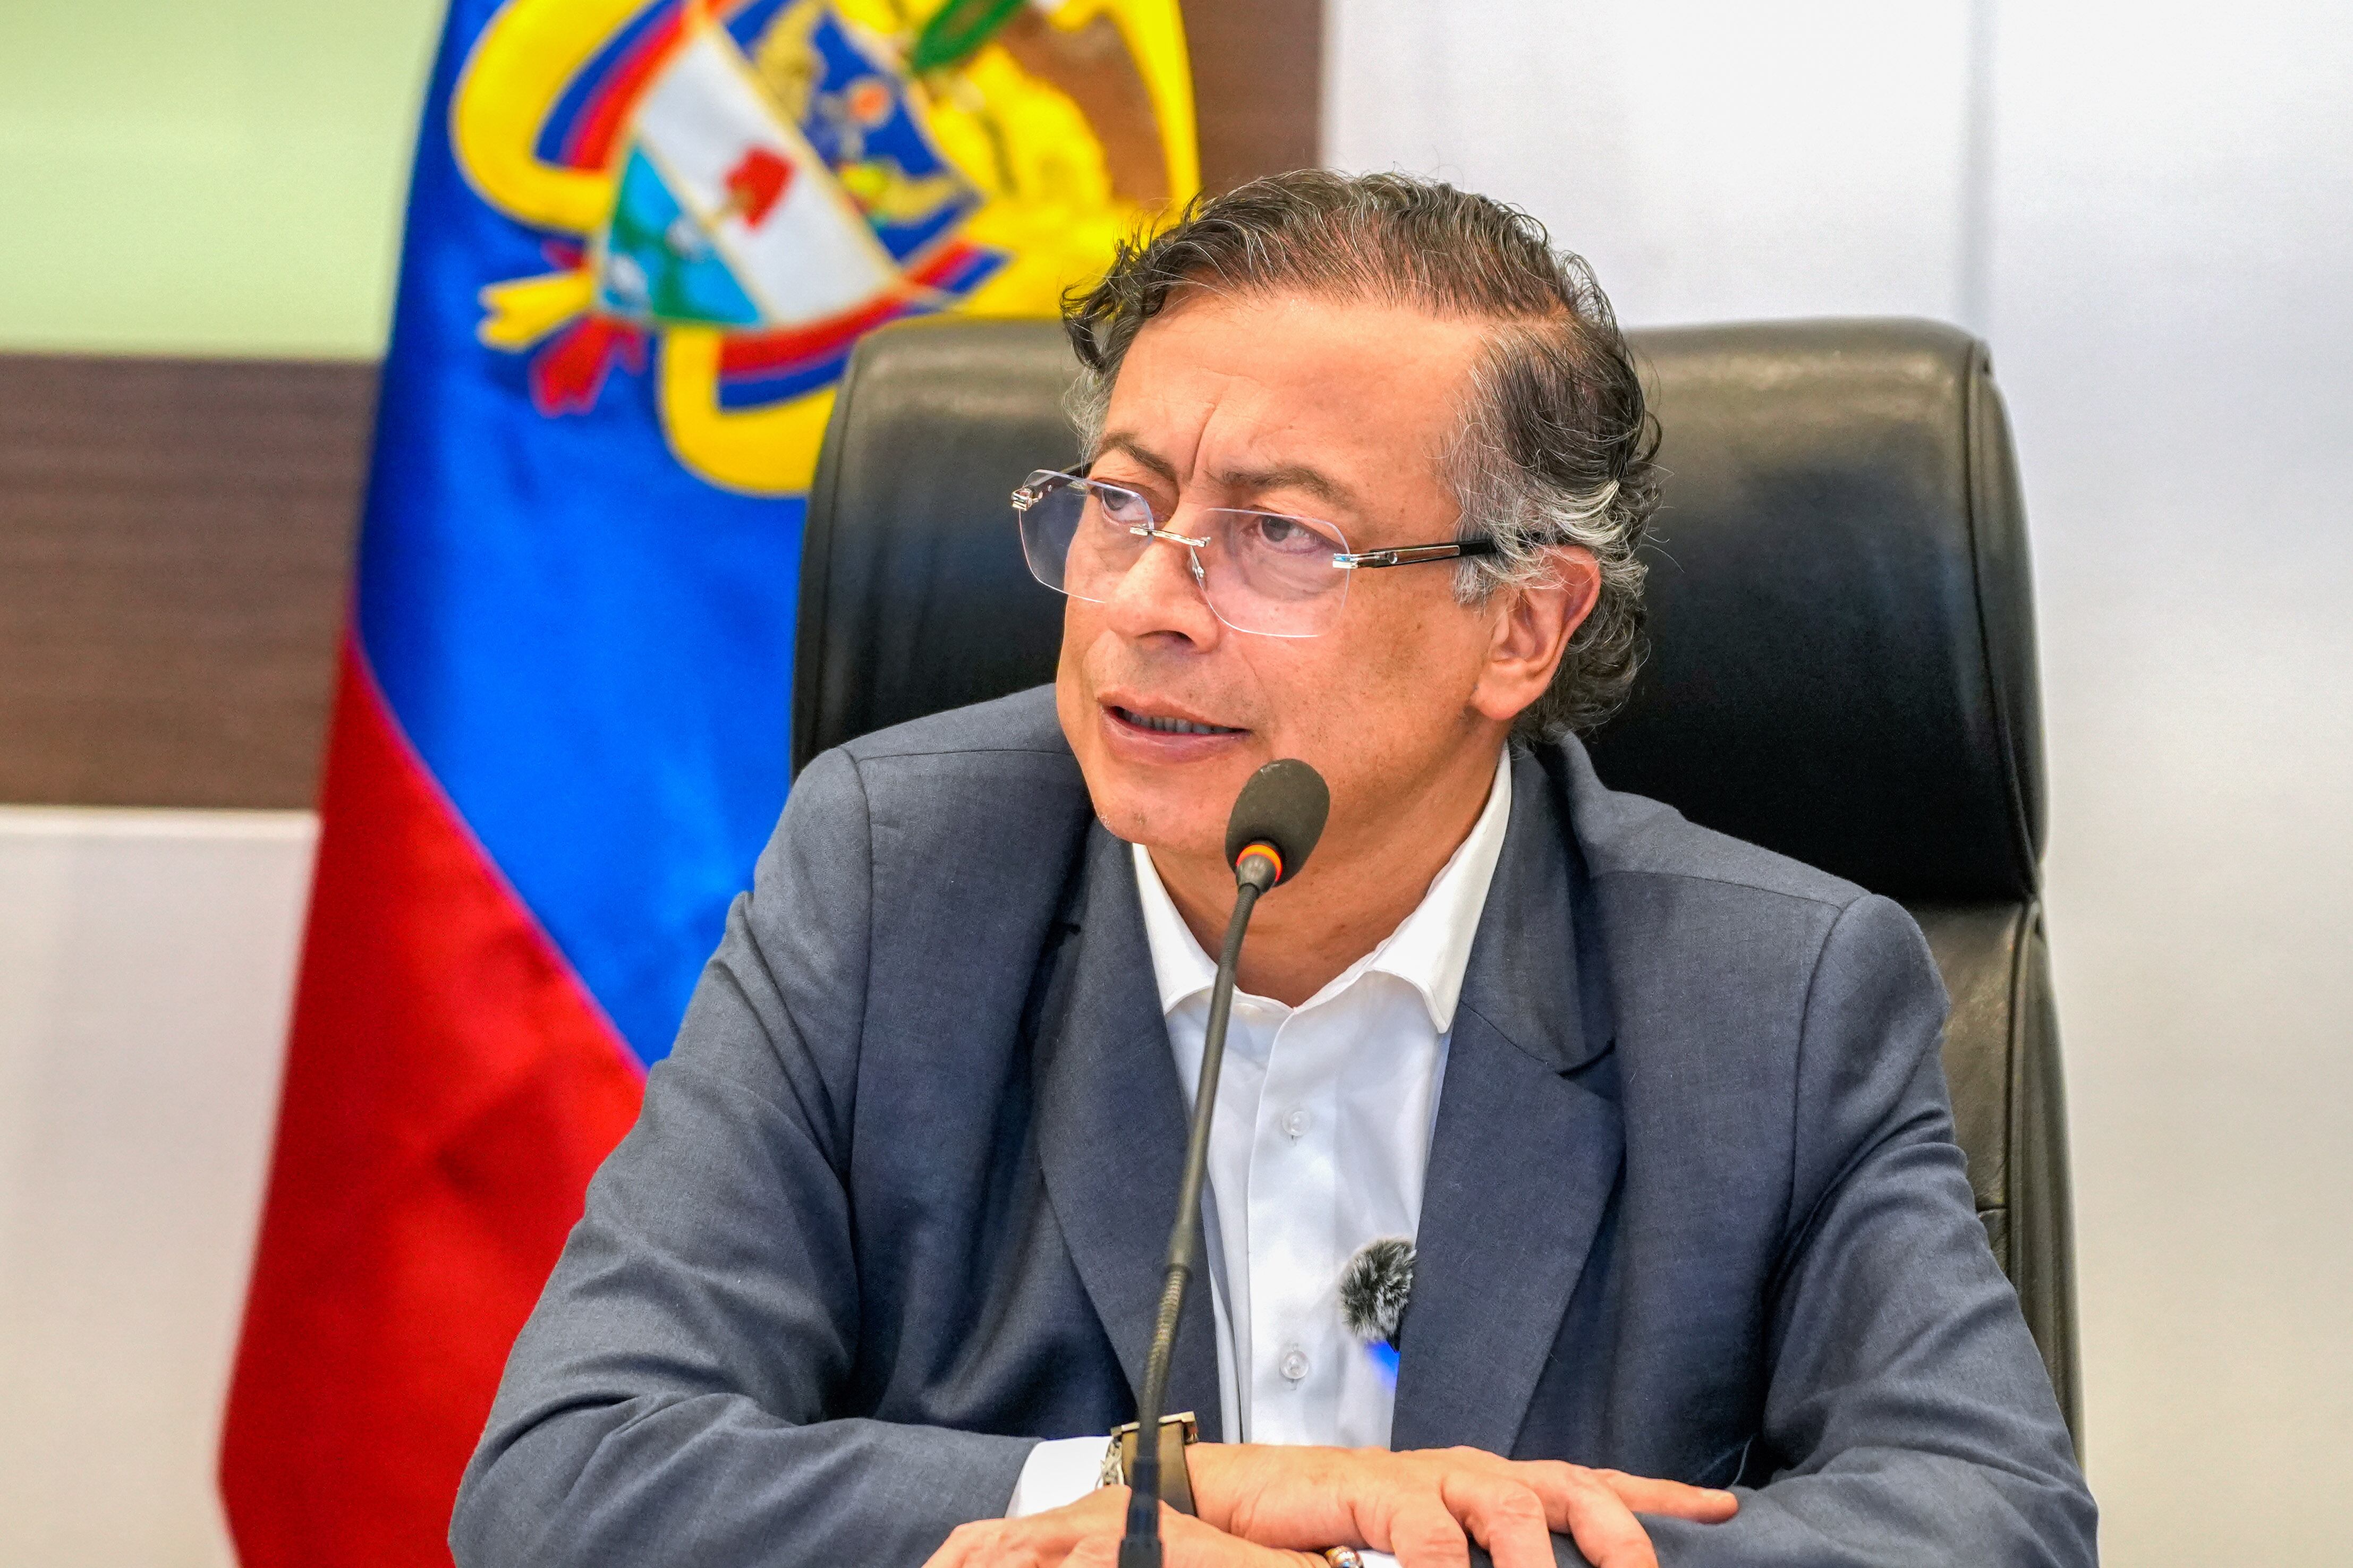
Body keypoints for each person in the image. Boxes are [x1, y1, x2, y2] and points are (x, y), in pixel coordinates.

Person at [452, 172, 2097, 1568]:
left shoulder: (1776, 995)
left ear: (1521, 626)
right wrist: (1148, 1500)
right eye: (1121, 503)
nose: (1143, 603)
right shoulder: (893, 879)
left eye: (1280, 536)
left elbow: (1990, 1522)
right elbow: (567, 1477)